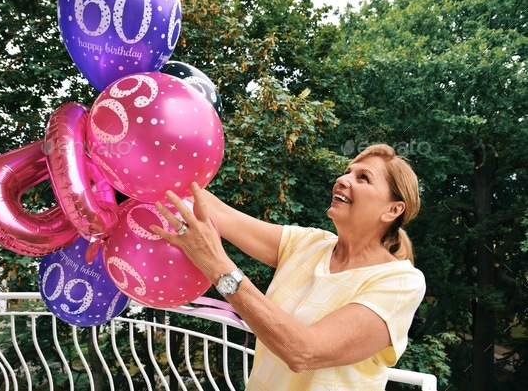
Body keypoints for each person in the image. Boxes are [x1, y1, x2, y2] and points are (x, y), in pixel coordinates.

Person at [150, 144, 426, 390]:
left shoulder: (400, 282)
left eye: (363, 178)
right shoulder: (308, 243)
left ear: (393, 210)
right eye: (347, 172)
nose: (342, 180)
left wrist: (216, 265)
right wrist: (152, 166)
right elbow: (215, 211)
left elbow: (304, 352)